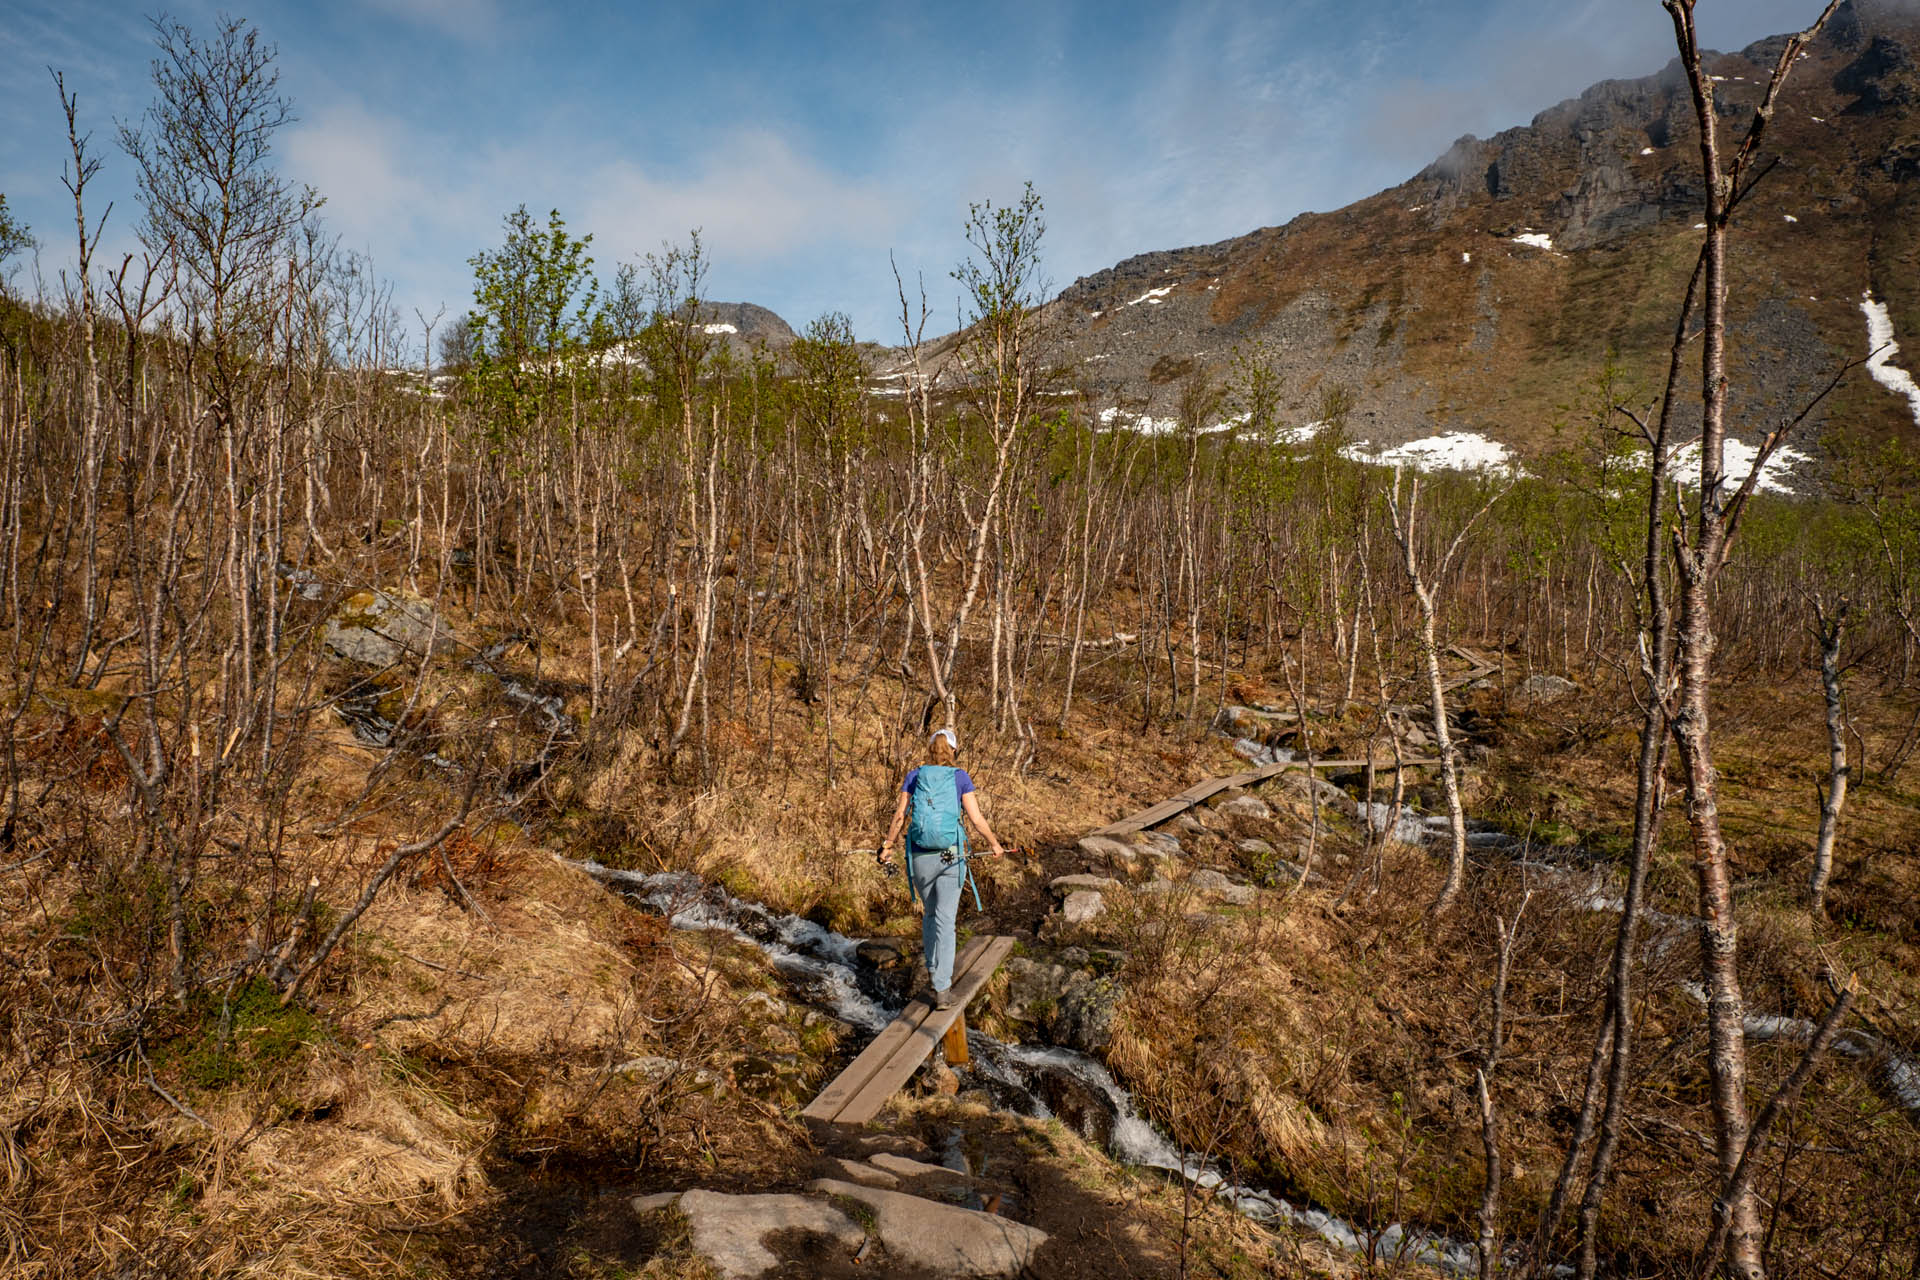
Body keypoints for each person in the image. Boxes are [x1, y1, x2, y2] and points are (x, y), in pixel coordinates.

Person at [877, 728, 1006, 1009]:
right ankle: (943, 989)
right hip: (951, 854)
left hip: (921, 855)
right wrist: (994, 843)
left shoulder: (915, 775)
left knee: (931, 914)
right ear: (954, 751)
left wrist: (887, 845)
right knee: (946, 920)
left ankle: (935, 972)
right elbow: (975, 817)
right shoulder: (959, 777)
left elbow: (900, 816)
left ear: (930, 750)